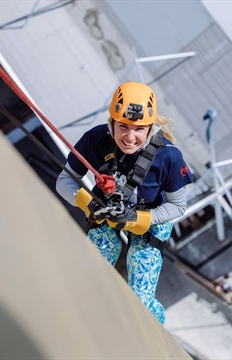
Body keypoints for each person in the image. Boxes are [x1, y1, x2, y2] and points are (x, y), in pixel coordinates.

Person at [56, 82, 194, 324]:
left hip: (151, 221)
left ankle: (156, 332)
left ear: (150, 128)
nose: (130, 137)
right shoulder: (95, 140)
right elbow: (65, 180)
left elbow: (177, 206)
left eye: (139, 129)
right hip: (105, 210)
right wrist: (87, 203)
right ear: (112, 123)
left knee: (141, 300)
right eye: (123, 127)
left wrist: (138, 219)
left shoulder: (168, 156)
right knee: (90, 273)